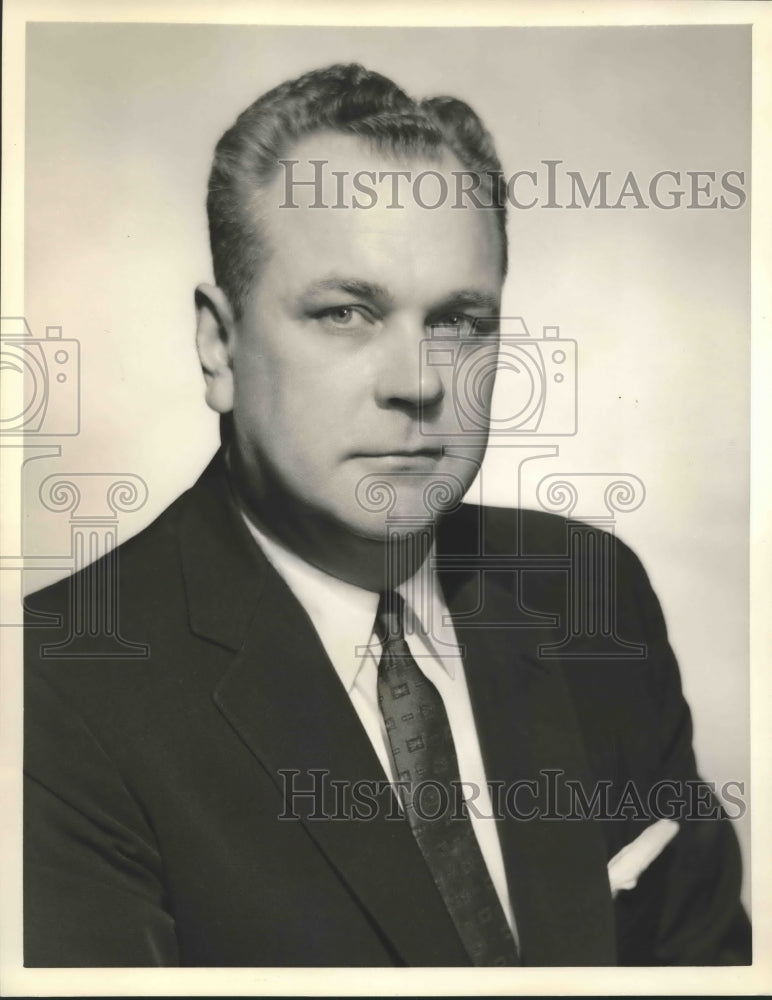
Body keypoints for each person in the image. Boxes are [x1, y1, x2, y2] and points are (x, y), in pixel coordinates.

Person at [23, 63, 751, 967]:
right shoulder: (57, 687)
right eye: (346, 313)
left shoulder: (591, 594)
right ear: (219, 344)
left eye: (459, 321)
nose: (418, 381)